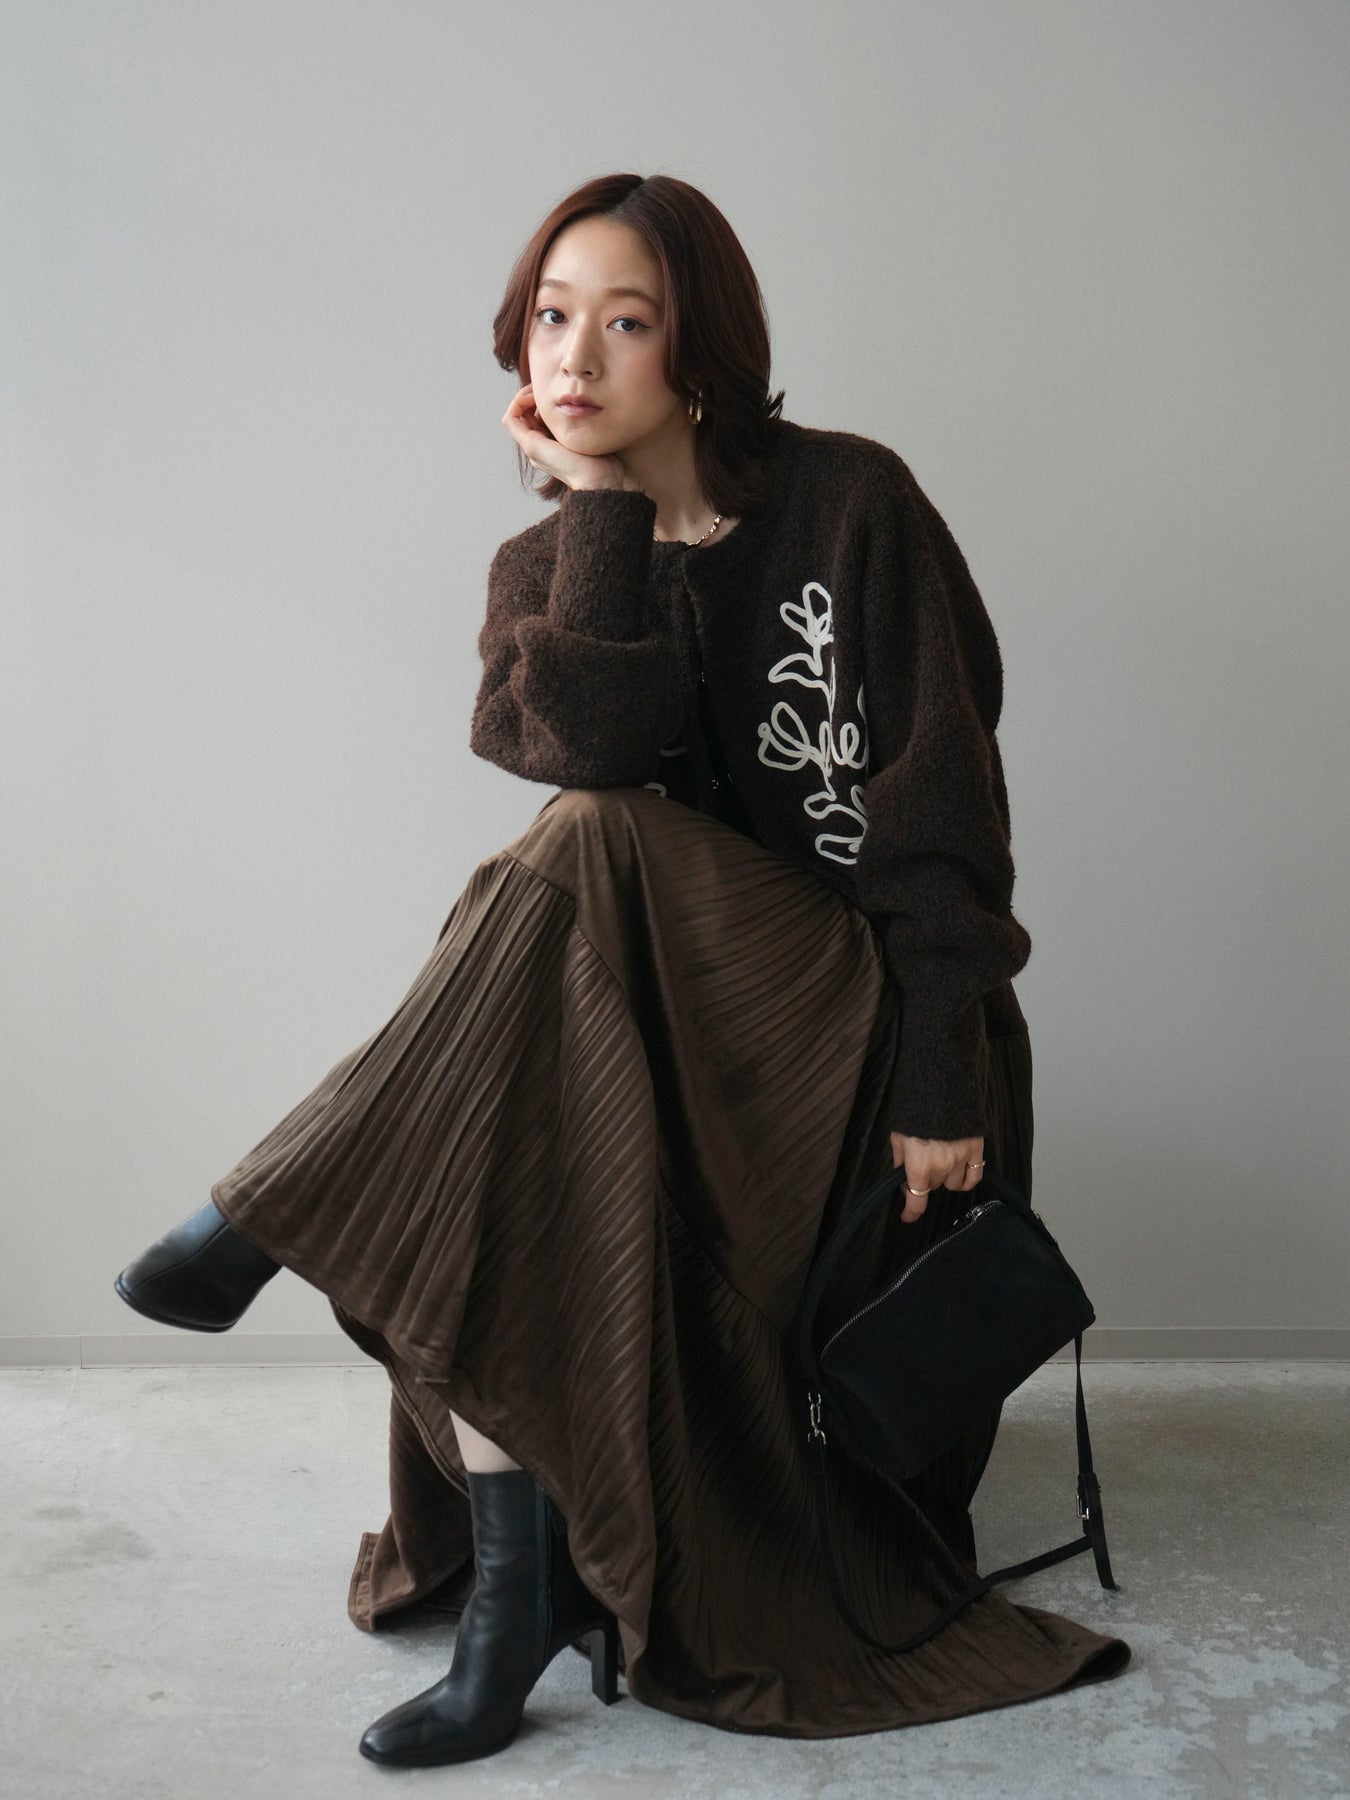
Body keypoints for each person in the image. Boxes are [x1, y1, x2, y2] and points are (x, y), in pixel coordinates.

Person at [114, 171, 1130, 1769]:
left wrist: (942, 1068)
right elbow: (578, 747)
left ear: (700, 349)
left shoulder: (850, 504)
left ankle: (260, 1212)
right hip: (672, 1040)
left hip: (861, 1030)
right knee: (503, 1100)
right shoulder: (545, 568)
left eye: (626, 320)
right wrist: (597, 507)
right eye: (549, 316)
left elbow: (943, 813)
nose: (574, 354)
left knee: (583, 846)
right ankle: (513, 1600)